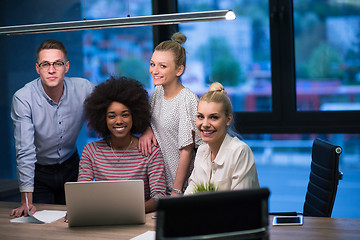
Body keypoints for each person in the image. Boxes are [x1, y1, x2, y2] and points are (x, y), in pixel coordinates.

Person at [10, 39, 94, 217]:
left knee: (76, 220)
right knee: (41, 226)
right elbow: (24, 150)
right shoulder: (23, 98)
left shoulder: (84, 88)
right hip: (39, 175)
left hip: (72, 167)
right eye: (45, 64)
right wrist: (26, 200)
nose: (51, 69)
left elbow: (113, 112)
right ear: (37, 68)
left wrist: (146, 129)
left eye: (58, 63)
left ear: (67, 66)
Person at [78, 76, 166, 213]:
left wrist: (130, 211)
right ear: (103, 119)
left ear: (134, 116)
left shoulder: (150, 151)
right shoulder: (91, 151)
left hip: (139, 218)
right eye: (112, 116)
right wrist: (76, 209)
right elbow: (81, 193)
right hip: (102, 217)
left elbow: (159, 196)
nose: (119, 121)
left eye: (125, 115)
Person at [138, 32, 202, 196]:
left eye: (162, 66)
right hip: (160, 184)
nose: (154, 70)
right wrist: (147, 129)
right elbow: (153, 120)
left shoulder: (187, 99)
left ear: (179, 70)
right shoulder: (158, 91)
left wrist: (176, 190)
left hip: (184, 187)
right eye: (152, 64)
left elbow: (186, 151)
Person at [184, 82, 259, 194]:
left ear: (228, 119)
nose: (205, 124)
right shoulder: (202, 151)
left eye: (213, 117)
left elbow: (241, 206)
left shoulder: (240, 152)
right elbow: (188, 199)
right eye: (200, 116)